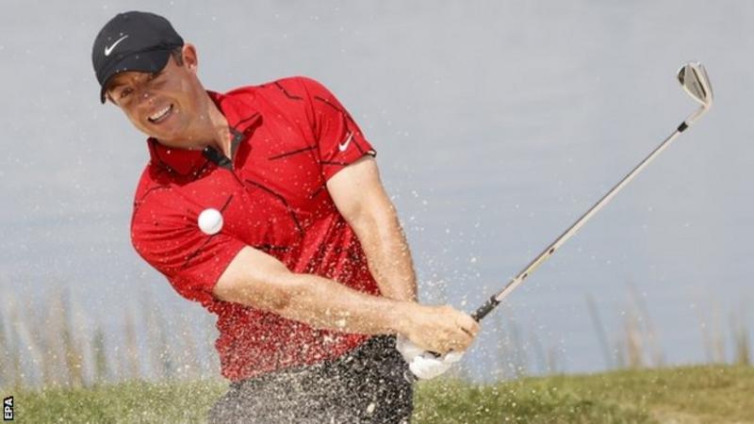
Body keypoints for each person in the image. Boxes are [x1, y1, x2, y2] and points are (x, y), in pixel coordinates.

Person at [92, 11, 479, 423]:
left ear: (188, 58)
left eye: (153, 77)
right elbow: (281, 293)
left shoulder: (299, 102)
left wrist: (408, 330)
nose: (145, 99)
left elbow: (369, 213)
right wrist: (407, 318)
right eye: (125, 93)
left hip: (374, 353)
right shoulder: (156, 216)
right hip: (276, 386)